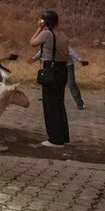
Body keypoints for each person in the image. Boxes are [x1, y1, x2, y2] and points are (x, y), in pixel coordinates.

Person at [30, 9, 71, 148]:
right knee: (59, 103)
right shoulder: (62, 35)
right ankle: (63, 136)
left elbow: (32, 42)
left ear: (45, 22)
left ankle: (55, 139)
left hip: (51, 69)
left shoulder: (46, 34)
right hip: (62, 69)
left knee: (50, 105)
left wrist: (38, 28)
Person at [32, 45, 88, 110]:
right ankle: (48, 98)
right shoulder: (48, 44)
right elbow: (42, 52)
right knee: (51, 82)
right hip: (56, 66)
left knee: (71, 84)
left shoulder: (61, 43)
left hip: (68, 66)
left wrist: (80, 60)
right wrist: (34, 58)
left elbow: (71, 52)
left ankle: (79, 103)